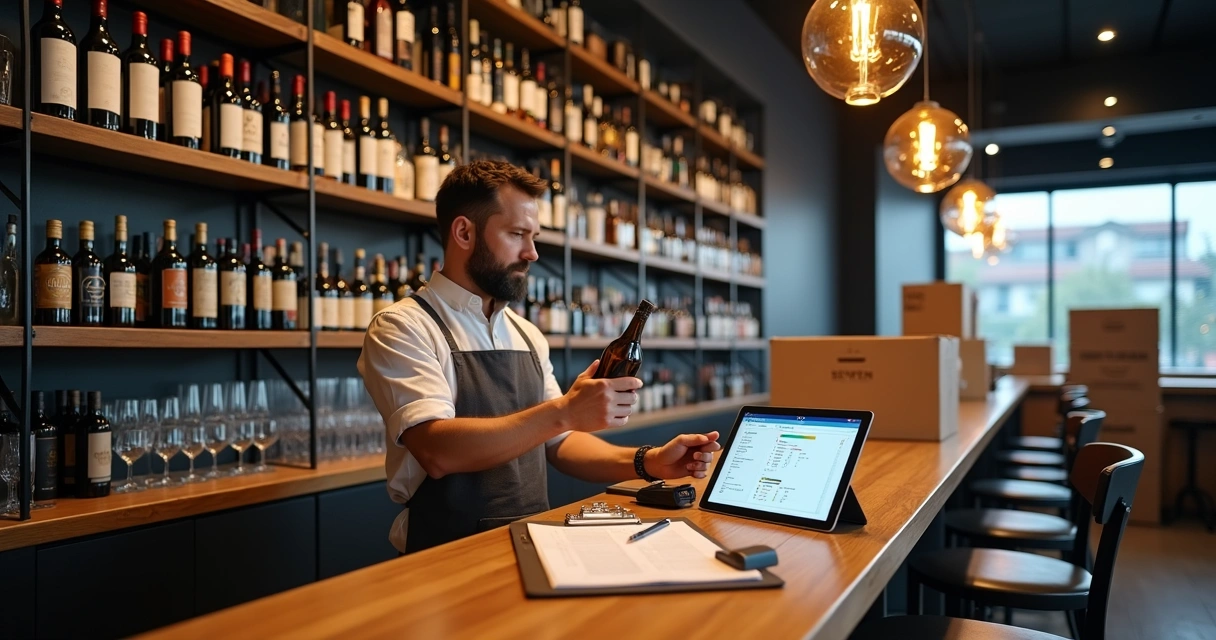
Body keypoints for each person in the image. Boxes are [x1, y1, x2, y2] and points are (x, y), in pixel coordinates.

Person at [358, 161, 721, 554]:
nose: (531, 253)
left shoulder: (526, 334)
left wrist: (648, 463)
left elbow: (558, 443)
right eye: (516, 234)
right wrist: (564, 410)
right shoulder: (403, 326)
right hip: (444, 553)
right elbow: (438, 451)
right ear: (464, 232)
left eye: (533, 236)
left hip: (533, 543)